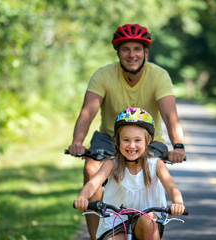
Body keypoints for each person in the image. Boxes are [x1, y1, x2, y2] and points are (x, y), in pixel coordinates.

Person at [68, 24, 186, 239]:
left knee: (149, 169)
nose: (132, 54)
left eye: (137, 49)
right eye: (125, 49)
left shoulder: (159, 76)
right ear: (118, 53)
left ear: (146, 53)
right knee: (92, 169)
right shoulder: (104, 75)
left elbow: (170, 116)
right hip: (109, 136)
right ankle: (99, 235)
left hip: (148, 139)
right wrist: (77, 142)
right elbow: (87, 112)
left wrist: (178, 145)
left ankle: (147, 220)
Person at [74, 108, 186, 240]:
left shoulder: (156, 165)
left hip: (147, 222)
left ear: (148, 140)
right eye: (126, 140)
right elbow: (93, 183)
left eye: (137, 140)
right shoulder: (111, 163)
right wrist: (82, 197)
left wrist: (177, 203)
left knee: (147, 219)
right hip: (115, 221)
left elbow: (171, 187)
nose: (131, 145)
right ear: (117, 140)